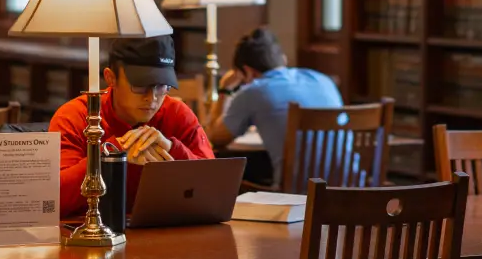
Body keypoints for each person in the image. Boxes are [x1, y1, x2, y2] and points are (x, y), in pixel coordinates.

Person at [50, 34, 213, 217]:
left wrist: (172, 149)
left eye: (161, 86)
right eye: (140, 85)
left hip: (168, 234)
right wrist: (112, 155)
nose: (152, 98)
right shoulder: (75, 116)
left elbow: (215, 190)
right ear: (110, 78)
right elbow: (54, 199)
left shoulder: (177, 113)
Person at [206, 27, 342, 185]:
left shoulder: (253, 91)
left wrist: (224, 90)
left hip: (300, 195)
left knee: (230, 183)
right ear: (283, 60)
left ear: (248, 72)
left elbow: (215, 138)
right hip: (352, 188)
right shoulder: (322, 80)